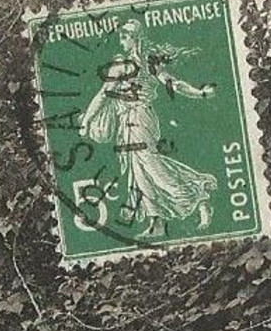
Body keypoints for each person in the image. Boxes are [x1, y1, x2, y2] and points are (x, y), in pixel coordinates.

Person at [77, 18, 219, 236]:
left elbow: (103, 95)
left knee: (151, 165)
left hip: (139, 118)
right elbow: (173, 83)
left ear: (135, 39)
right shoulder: (144, 62)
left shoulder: (128, 65)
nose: (121, 40)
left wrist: (86, 121)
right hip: (130, 121)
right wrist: (199, 93)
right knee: (139, 170)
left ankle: (198, 197)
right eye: (121, 36)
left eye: (125, 37)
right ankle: (157, 222)